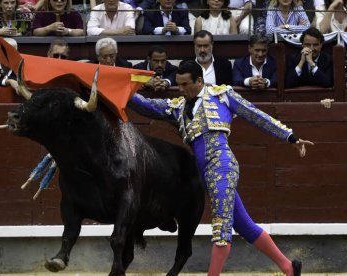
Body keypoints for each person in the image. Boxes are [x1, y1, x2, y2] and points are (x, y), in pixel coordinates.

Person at [129, 60, 312, 276]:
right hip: (204, 173)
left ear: (199, 81)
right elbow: (144, 105)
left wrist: (290, 136)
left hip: (222, 165)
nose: (181, 89)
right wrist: (117, 86)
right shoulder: (178, 107)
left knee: (221, 228)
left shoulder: (222, 95)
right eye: (178, 84)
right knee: (243, 225)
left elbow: (255, 115)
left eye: (185, 84)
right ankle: (288, 267)